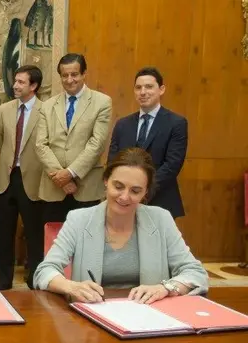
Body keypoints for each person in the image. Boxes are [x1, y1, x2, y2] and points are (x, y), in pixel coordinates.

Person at [33, 148, 208, 304]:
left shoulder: (160, 219)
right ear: (105, 181)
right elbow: (44, 271)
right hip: (92, 321)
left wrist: (165, 288)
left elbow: (195, 273)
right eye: (118, 186)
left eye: (135, 191)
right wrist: (71, 287)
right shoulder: (79, 219)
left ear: (146, 192)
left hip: (149, 318)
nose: (124, 197)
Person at [35, 53, 112, 223]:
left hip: (86, 189)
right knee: (54, 244)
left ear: (84, 74)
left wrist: (70, 173)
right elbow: (41, 145)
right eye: (65, 75)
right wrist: (61, 179)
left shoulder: (102, 102)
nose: (69, 80)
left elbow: (96, 144)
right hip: (53, 188)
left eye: (74, 74)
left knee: (86, 244)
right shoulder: (47, 106)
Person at [109, 67, 187, 218]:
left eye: (149, 87)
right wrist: (125, 191)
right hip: (123, 202)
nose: (143, 92)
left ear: (161, 89)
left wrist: (141, 190)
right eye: (138, 88)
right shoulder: (122, 124)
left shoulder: (176, 123)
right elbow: (113, 161)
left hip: (161, 201)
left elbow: (172, 165)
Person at [0, 65, 45, 290]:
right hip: (6, 178)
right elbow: (0, 141)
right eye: (16, 80)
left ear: (33, 86)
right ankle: (3, 280)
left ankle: (35, 279)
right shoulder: (5, 109)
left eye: (21, 82)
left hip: (32, 179)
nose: (15, 85)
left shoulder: (46, 110)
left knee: (35, 234)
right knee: (4, 233)